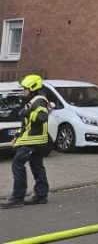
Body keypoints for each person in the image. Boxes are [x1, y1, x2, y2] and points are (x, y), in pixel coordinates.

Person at [1, 75, 50, 208]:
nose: (24, 91)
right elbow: (26, 124)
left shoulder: (38, 100)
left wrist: (27, 112)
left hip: (32, 140)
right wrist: (17, 134)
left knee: (17, 164)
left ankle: (17, 198)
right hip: (37, 140)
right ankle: (41, 195)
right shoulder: (33, 100)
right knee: (36, 165)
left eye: (26, 89)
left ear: (33, 88)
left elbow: (42, 117)